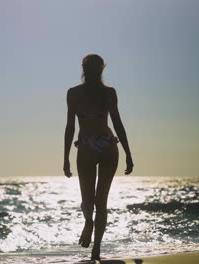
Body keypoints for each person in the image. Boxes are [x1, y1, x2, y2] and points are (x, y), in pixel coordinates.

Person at [63, 54, 134, 261]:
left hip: (97, 145)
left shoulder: (102, 93)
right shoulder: (81, 93)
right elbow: (70, 125)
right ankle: (93, 237)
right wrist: (128, 154)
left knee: (93, 201)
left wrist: (129, 153)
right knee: (95, 201)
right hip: (97, 145)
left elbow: (116, 122)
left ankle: (94, 239)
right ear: (98, 69)